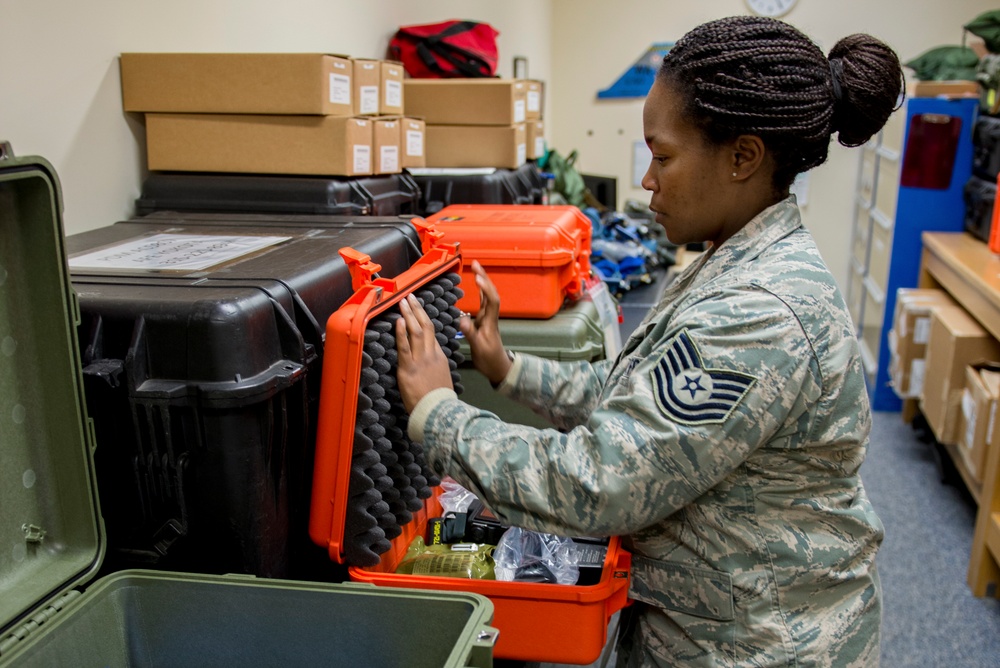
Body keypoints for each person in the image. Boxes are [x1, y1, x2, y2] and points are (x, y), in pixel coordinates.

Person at [394, 15, 904, 667]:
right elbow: (640, 402)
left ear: (743, 157)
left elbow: (598, 483)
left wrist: (439, 413)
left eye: (662, 157)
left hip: (759, 647)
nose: (647, 181)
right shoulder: (736, 261)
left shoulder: (756, 311)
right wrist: (508, 368)